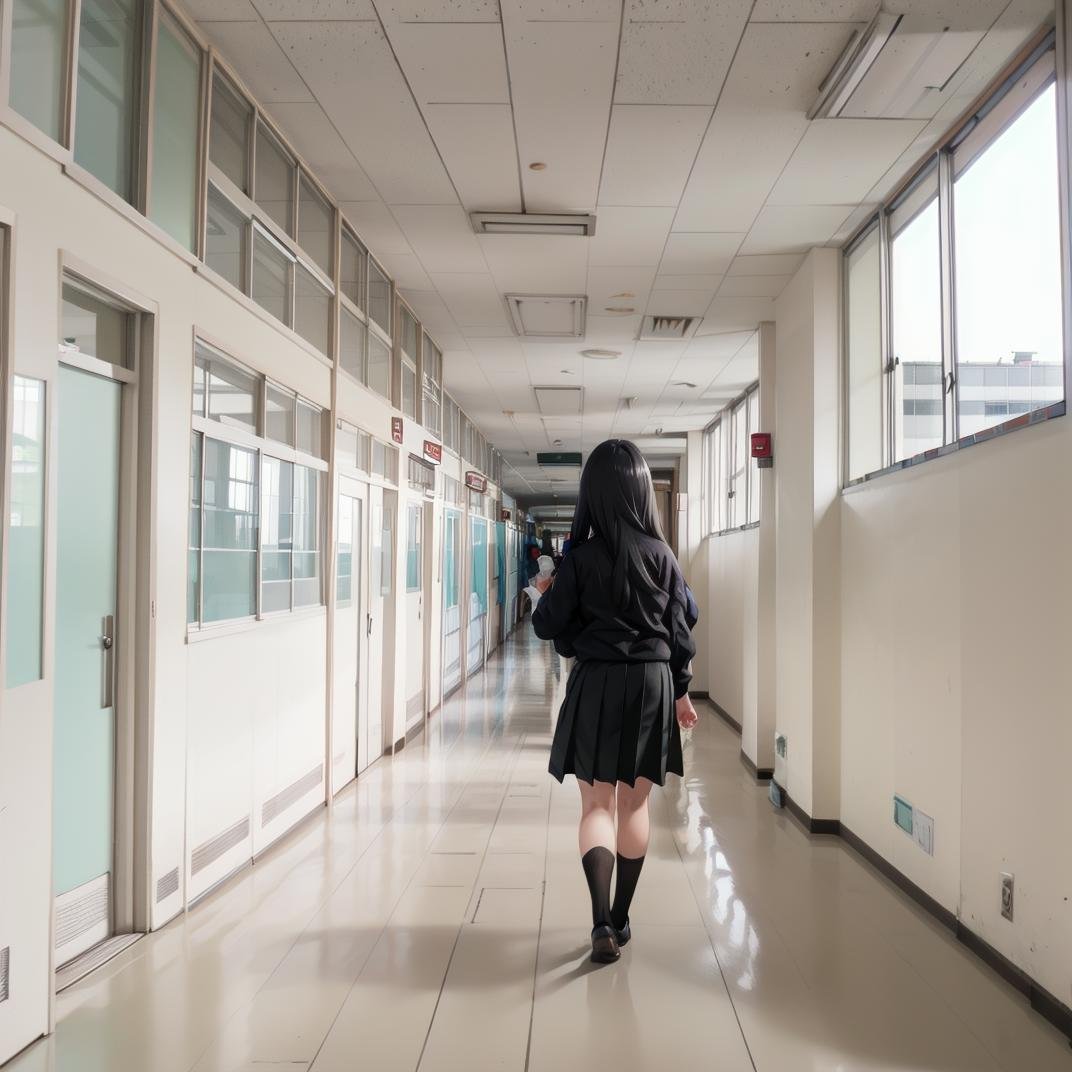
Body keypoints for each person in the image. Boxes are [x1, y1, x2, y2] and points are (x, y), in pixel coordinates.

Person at [531, 439, 697, 964]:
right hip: (652, 684)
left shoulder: (579, 560)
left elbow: (548, 625)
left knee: (597, 803)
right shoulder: (663, 556)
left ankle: (600, 919)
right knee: (635, 802)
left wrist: (547, 589)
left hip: (597, 682)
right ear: (641, 492)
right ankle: (623, 918)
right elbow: (682, 625)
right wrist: (682, 691)